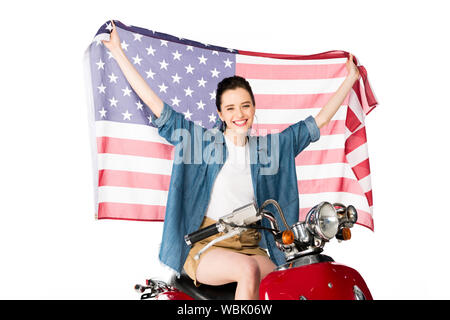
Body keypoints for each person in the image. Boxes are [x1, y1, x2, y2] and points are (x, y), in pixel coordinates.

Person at [102, 20, 360, 299]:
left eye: (245, 105)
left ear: (254, 107)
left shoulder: (269, 150)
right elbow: (160, 109)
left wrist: (350, 80)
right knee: (248, 270)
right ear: (221, 113)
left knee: (288, 279)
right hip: (207, 245)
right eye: (231, 108)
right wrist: (118, 52)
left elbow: (315, 123)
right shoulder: (201, 144)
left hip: (252, 244)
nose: (240, 114)